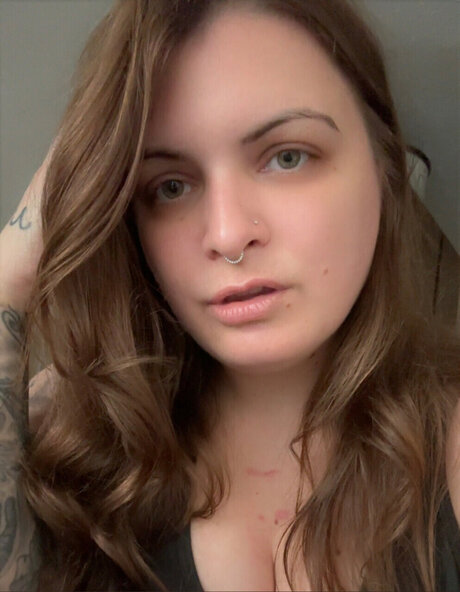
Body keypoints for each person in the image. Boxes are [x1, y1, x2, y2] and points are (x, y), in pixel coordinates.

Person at [0, 0, 459, 590]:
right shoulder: (64, 427)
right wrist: (11, 274)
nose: (227, 235)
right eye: (170, 186)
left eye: (287, 157)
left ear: (383, 166)